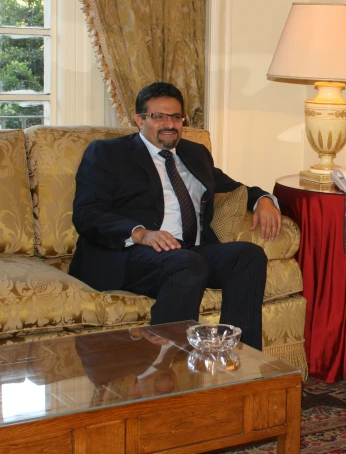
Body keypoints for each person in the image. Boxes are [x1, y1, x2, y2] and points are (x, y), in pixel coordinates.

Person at [69, 81, 282, 350]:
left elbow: (233, 188)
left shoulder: (195, 154)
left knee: (248, 256)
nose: (169, 124)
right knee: (187, 263)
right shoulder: (108, 153)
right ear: (139, 119)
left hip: (188, 251)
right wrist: (141, 233)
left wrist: (263, 200)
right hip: (131, 254)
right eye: (158, 116)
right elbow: (87, 213)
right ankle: (168, 369)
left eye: (176, 117)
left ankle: (240, 357)